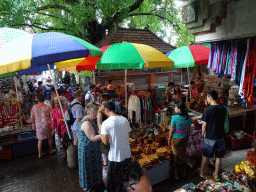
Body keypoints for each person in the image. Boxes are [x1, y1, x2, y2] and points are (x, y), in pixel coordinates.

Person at [194, 90, 226, 181]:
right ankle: (216, 174)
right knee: (219, 157)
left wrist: (202, 136)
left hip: (210, 137)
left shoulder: (207, 110)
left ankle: (201, 172)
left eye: (207, 97)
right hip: (221, 136)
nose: (206, 99)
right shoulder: (223, 108)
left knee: (205, 155)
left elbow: (204, 125)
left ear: (210, 98)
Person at [101, 102, 132, 191]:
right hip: (126, 154)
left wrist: (103, 137)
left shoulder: (105, 123)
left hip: (115, 156)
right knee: (125, 179)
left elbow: (106, 143)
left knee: (113, 181)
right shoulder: (124, 119)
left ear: (106, 110)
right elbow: (129, 135)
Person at [78, 103, 102, 191]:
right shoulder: (87, 123)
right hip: (88, 150)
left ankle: (93, 184)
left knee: (93, 167)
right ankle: (89, 187)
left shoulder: (89, 119)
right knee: (88, 169)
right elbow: (93, 138)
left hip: (91, 149)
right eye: (95, 113)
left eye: (97, 112)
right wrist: (104, 135)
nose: (96, 114)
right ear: (89, 112)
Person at [168, 102, 192, 180]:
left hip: (176, 139)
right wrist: (187, 138)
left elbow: (172, 130)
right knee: (183, 155)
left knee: (175, 157)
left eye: (175, 107)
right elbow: (188, 130)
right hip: (184, 138)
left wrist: (169, 139)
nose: (174, 109)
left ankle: (176, 175)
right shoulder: (188, 118)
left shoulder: (174, 118)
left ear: (179, 109)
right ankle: (184, 172)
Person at [31, 94, 55, 158]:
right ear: (44, 99)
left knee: (40, 140)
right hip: (47, 124)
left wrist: (33, 124)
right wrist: (53, 126)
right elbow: (52, 116)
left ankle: (40, 153)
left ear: (37, 99)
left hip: (38, 125)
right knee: (49, 138)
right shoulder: (48, 107)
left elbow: (32, 117)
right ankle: (50, 150)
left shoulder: (34, 107)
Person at [97, 100, 109, 166]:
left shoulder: (106, 112)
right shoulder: (100, 113)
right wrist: (103, 132)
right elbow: (99, 124)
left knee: (107, 145)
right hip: (103, 131)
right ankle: (105, 161)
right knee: (103, 146)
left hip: (107, 130)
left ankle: (107, 159)